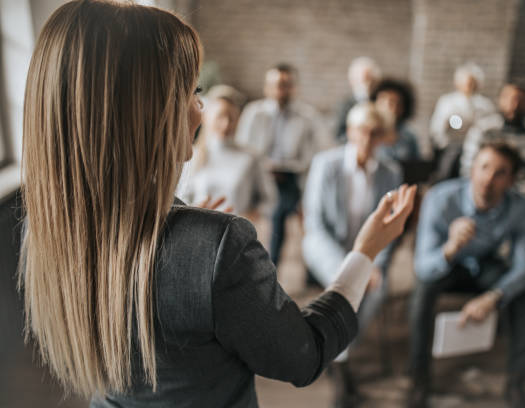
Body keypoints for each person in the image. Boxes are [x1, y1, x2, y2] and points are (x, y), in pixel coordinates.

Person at [18, 2, 417, 408]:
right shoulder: (218, 244)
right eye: (192, 92)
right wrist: (364, 253)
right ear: (148, 112)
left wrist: (189, 230)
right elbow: (304, 356)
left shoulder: (48, 228)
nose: (200, 112)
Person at [409, 142, 525, 408]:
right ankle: (419, 381)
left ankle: (517, 383)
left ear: (512, 180)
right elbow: (422, 266)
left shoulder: (521, 207)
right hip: (448, 263)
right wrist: (451, 247)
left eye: (500, 172)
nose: (488, 179)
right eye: (483, 167)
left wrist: (493, 297)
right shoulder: (440, 198)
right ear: (472, 168)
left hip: (486, 264)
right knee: (421, 293)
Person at [302, 102, 403, 406]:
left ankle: (336, 354)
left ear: (382, 137)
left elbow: (390, 229)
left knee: (376, 286)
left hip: (369, 252)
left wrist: (375, 263)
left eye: (374, 133)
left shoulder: (391, 172)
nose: (366, 139)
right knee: (350, 282)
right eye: (361, 131)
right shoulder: (326, 164)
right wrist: (353, 266)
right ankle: (343, 369)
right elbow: (314, 225)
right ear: (349, 131)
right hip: (325, 247)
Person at [235, 63, 326, 265]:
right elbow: (242, 148)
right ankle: (269, 264)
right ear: (266, 87)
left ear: (294, 87)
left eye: (286, 84)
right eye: (276, 84)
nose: (280, 89)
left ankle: (276, 265)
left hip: (292, 176)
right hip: (259, 175)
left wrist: (291, 167)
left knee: (284, 207)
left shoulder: (308, 116)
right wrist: (264, 167)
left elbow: (315, 152)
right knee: (276, 208)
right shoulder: (254, 112)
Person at [177, 84, 277, 220]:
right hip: (202, 230)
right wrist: (197, 211)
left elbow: (270, 200)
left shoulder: (251, 157)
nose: (226, 124)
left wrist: (248, 218)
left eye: (231, 118)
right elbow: (181, 200)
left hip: (238, 232)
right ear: (206, 117)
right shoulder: (190, 156)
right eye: (220, 116)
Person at [461, 79, 525, 197]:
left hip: (520, 199)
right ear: (500, 100)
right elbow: (468, 166)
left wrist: (514, 197)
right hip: (484, 194)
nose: (515, 105)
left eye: (521, 100)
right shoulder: (483, 129)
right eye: (510, 98)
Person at [429, 62, 496, 180]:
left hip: (476, 147)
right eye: (467, 81)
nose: (470, 85)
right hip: (453, 146)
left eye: (473, 82)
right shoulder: (447, 102)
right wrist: (444, 144)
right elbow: (437, 128)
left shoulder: (485, 105)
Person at [370, 78, 421, 166]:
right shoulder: (367, 131)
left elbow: (417, 166)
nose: (387, 107)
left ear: (402, 108)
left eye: (393, 102)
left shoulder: (409, 137)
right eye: (383, 101)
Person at [335, 57, 382, 144]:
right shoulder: (345, 105)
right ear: (352, 81)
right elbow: (338, 135)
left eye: (371, 80)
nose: (367, 85)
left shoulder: (379, 103)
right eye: (364, 80)